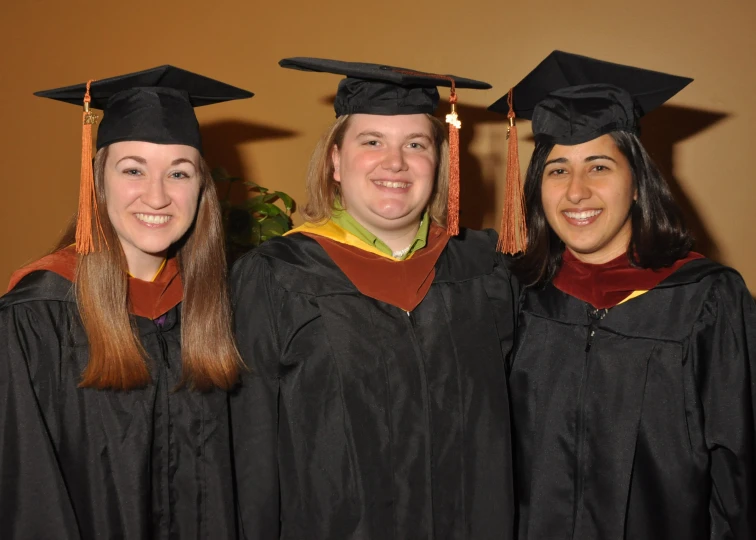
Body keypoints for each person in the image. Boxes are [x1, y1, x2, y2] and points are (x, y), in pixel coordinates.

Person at [230, 58, 519, 539]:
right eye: (372, 142)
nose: (396, 162)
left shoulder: (483, 271)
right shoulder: (277, 276)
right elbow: (251, 449)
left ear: (439, 161)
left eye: (416, 144)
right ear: (336, 161)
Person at [489, 51, 756, 540]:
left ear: (637, 183)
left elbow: (740, 472)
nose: (575, 192)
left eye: (598, 166)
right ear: (536, 189)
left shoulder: (706, 302)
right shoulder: (517, 298)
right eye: (556, 170)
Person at [0, 66, 252, 539]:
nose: (156, 196)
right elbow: (25, 495)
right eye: (133, 169)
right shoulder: (36, 316)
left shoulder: (217, 309)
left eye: (179, 172)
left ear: (202, 190)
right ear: (97, 181)